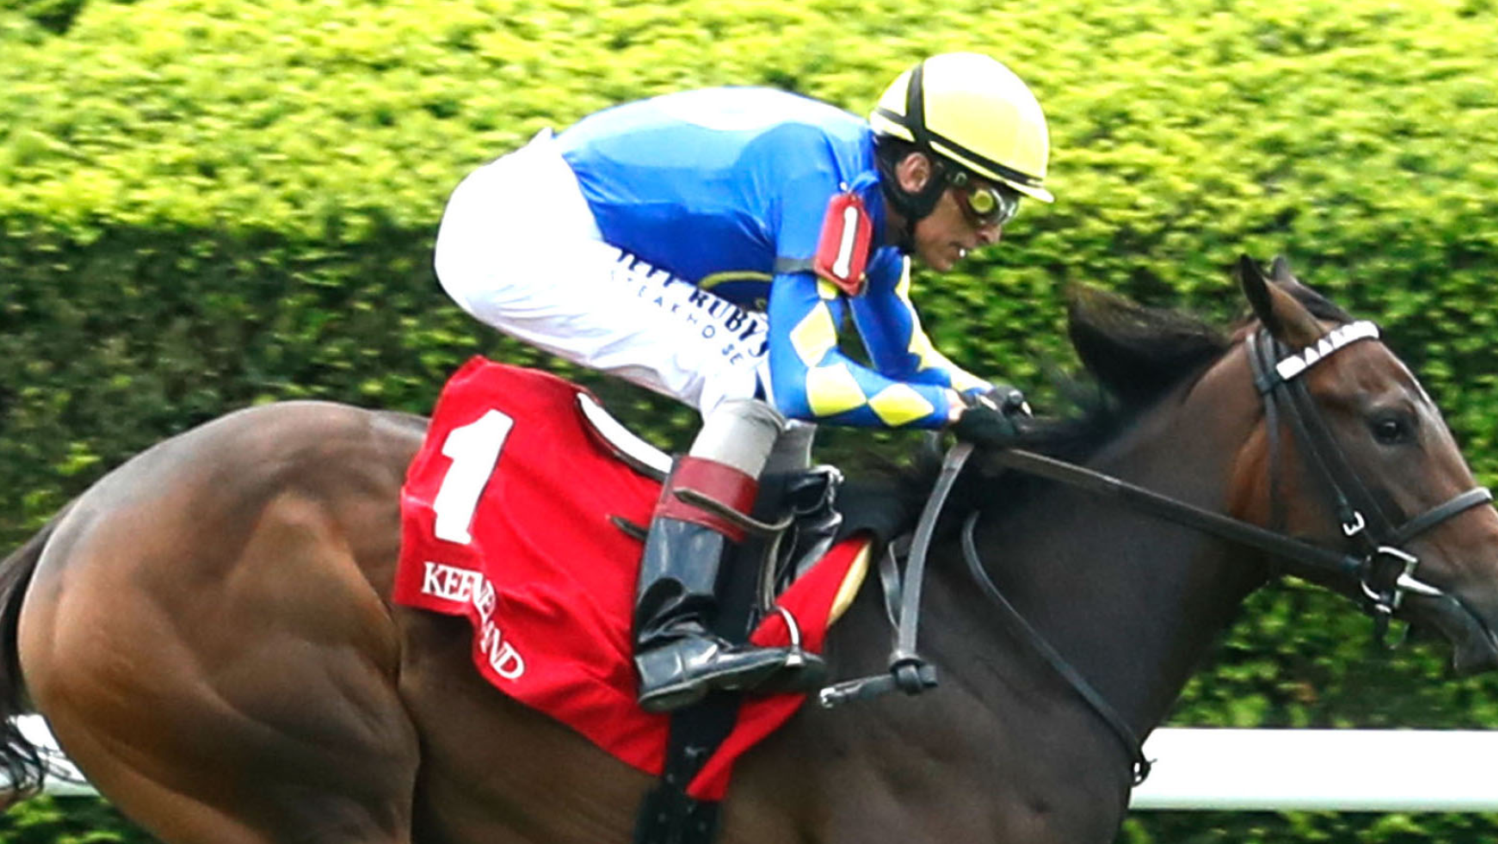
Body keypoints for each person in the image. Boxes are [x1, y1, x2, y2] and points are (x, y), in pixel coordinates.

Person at [434, 53, 1050, 712]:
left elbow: (904, 360)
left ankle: (750, 605)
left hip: (544, 220)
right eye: (985, 198)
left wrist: (979, 396)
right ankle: (672, 637)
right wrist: (948, 412)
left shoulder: (876, 209)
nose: (991, 231)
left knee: (763, 368)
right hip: (518, 235)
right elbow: (806, 384)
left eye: (1007, 207)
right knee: (753, 378)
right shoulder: (829, 194)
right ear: (919, 172)